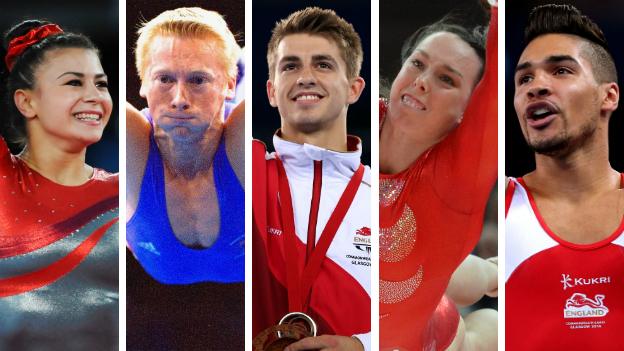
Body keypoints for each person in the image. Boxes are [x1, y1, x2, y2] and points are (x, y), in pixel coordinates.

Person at [378, 1, 498, 350]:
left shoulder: (457, 178)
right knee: (438, 268)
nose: (421, 82)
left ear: (467, 112)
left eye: (446, 79)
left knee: (477, 335)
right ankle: (488, 271)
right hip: (422, 273)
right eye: (417, 63)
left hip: (428, 337)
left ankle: (495, 276)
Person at [125, 7, 245, 349]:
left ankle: (241, 68)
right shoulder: (133, 139)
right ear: (143, 84)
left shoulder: (240, 137)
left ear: (228, 84)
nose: (179, 100)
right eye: (164, 79)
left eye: (197, 80)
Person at [506, 4, 624, 350]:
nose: (536, 87)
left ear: (609, 96)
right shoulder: (498, 205)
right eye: (524, 78)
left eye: (560, 71)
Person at [252, 7, 370, 351]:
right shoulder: (248, 172)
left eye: (323, 64)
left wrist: (363, 345)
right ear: (272, 91)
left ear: (354, 88)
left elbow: (414, 315)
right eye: (290, 66)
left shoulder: (384, 197)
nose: (305, 77)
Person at [0, 20, 118, 349]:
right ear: (26, 102)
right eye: (73, 83)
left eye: (101, 84)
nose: (94, 97)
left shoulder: (125, 193)